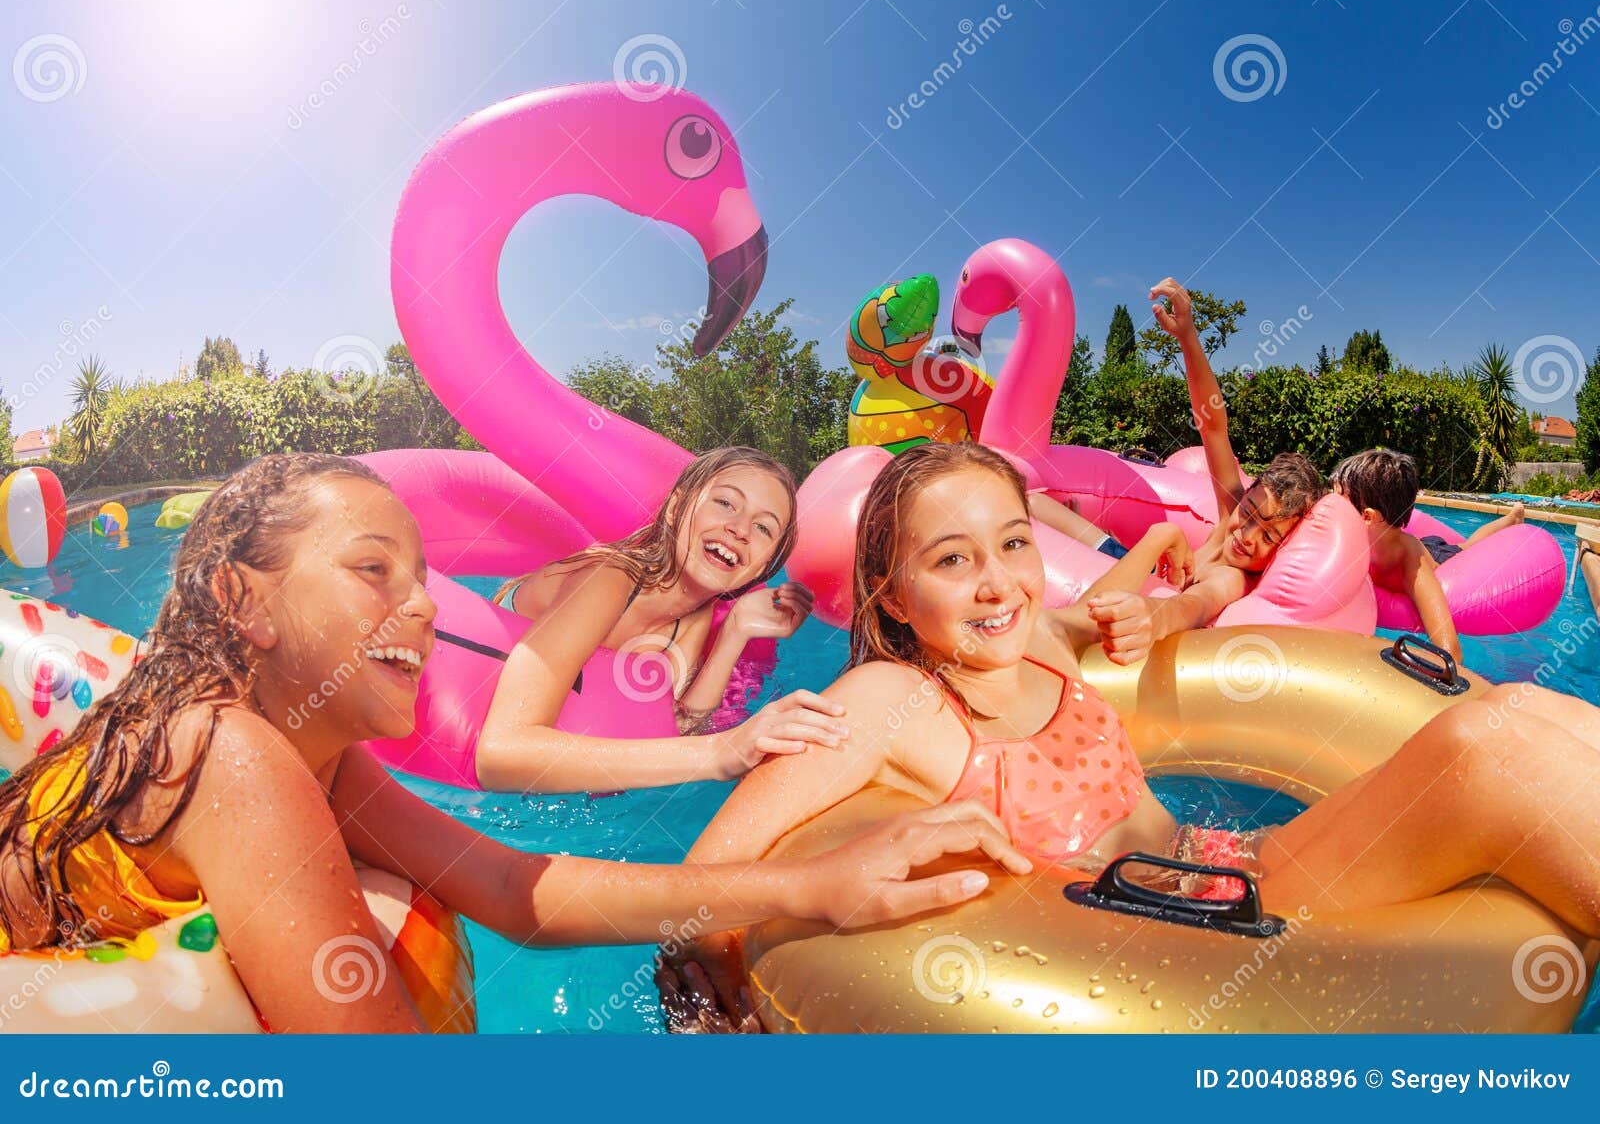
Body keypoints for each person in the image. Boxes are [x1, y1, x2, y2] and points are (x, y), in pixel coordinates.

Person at [0, 453, 1035, 1033]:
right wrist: (722, 762)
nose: (418, 608)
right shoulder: (234, 755)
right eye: (374, 571)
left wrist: (808, 884)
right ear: (242, 599)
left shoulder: (317, 755)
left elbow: (508, 885)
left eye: (420, 574)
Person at [668, 442, 1600, 1029]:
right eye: (952, 559)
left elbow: (1116, 611)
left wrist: (1138, 616)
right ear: (893, 594)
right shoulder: (888, 697)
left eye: (1015, 543)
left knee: (1511, 714)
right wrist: (726, 1008)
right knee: (1487, 756)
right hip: (1200, 932)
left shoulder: (1034, 641)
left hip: (1232, 864)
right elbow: (699, 885)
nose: (997, 581)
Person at [479, 446, 843, 793]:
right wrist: (719, 754)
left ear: (764, 566)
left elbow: (684, 729)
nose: (740, 529)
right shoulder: (608, 578)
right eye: (725, 503)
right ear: (677, 508)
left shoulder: (691, 620)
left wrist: (736, 630)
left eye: (764, 528)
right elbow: (501, 753)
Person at [1100, 279, 1326, 649]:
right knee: (1039, 503)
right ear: (1247, 495)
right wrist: (1187, 334)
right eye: (1250, 512)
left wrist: (1155, 617)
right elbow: (1213, 427)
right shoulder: (1231, 515)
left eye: (1268, 536)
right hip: (1133, 563)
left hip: (1144, 592)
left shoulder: (1233, 579)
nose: (1247, 535)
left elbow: (1195, 604)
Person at [1331, 448, 1524, 663]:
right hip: (1410, 542)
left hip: (1437, 555)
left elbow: (1451, 652)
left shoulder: (1411, 563)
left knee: (1466, 547)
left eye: (1336, 502)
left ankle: (1512, 518)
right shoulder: (1347, 543)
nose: (1328, 509)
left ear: (1367, 517)